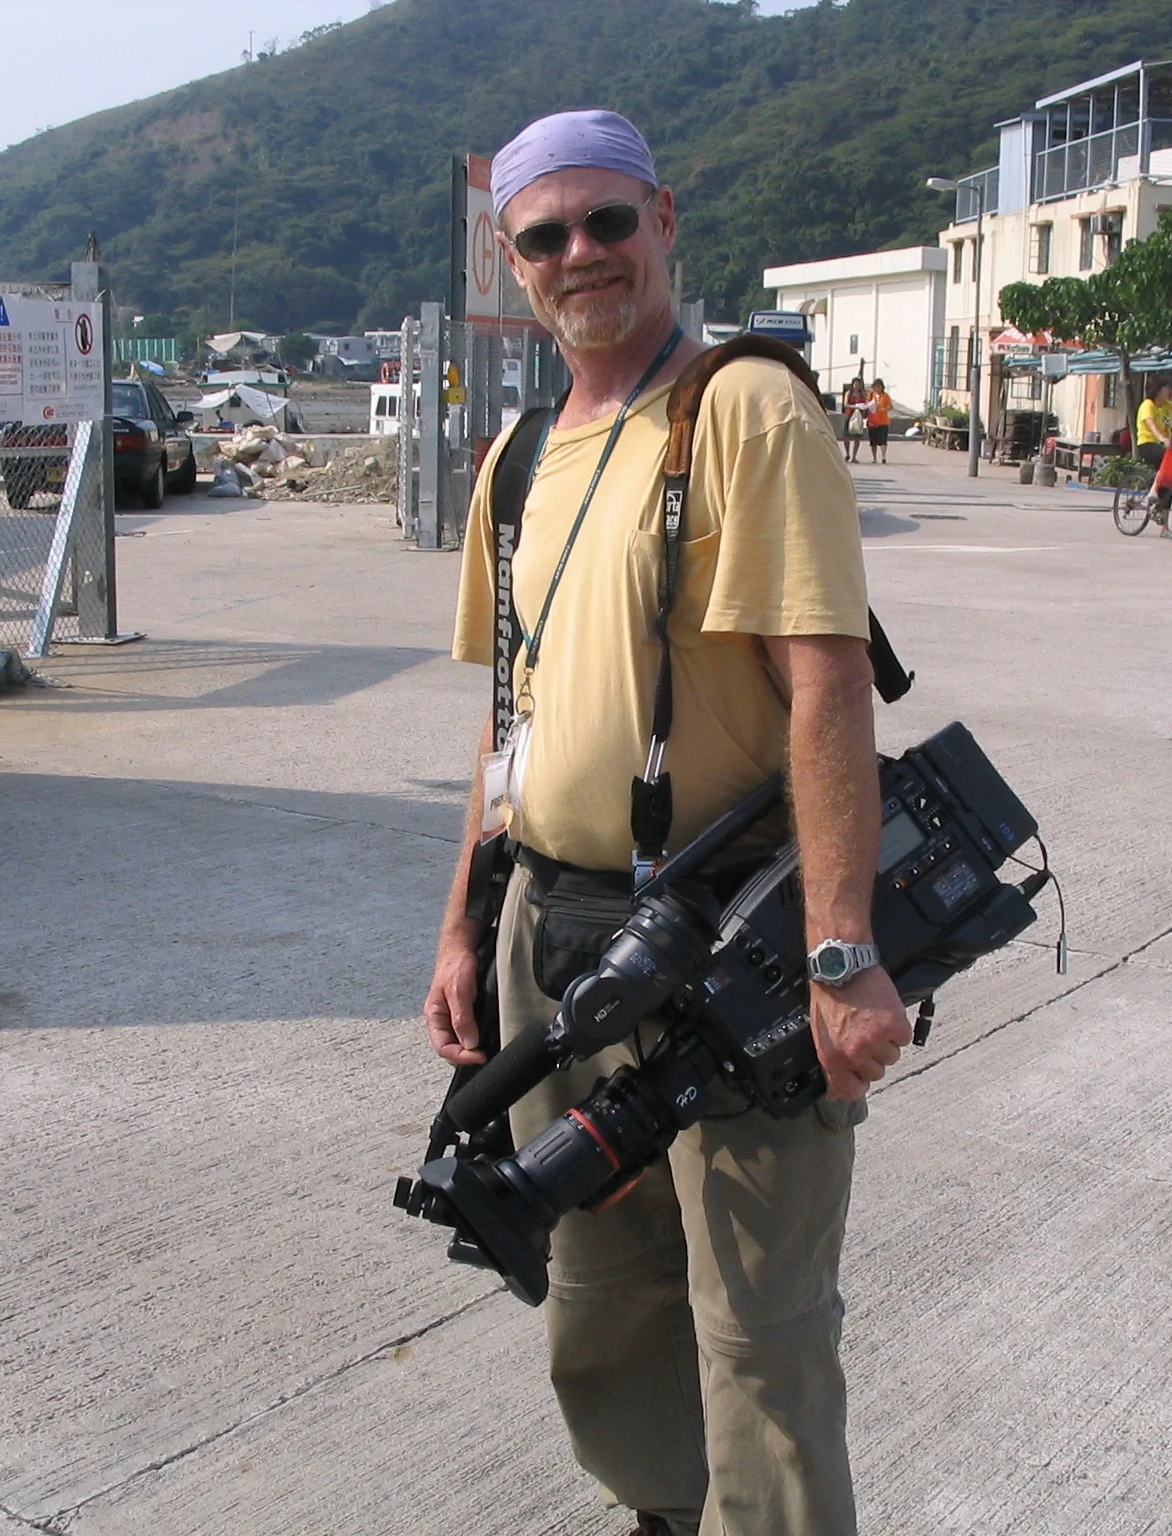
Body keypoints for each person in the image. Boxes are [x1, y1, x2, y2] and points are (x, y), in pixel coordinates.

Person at [424, 109, 905, 1536]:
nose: (581, 257)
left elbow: (826, 690)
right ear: (513, 265)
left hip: (723, 945)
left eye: (607, 223)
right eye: (545, 237)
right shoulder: (516, 460)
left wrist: (840, 950)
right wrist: (461, 922)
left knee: (757, 1329)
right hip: (553, 932)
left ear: (666, 221)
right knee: (598, 1295)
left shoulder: (743, 408)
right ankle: (659, 1518)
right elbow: (505, 727)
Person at [1134, 380, 1172, 530]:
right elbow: (1151, 424)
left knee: (1168, 485)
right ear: (1158, 389)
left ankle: (1165, 527)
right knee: (1166, 456)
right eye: (1166, 388)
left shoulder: (1168, 405)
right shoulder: (1148, 405)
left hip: (1165, 447)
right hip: (1147, 444)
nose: (1168, 390)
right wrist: (1162, 438)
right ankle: (1153, 489)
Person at [841, 375, 868, 464]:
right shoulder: (848, 393)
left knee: (857, 437)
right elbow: (845, 404)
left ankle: (854, 456)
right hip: (849, 414)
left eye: (858, 384)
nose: (856, 386)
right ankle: (847, 453)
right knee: (846, 436)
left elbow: (866, 404)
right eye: (855, 384)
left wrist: (862, 407)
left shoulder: (863, 394)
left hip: (858, 416)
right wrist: (853, 406)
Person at [864, 377, 892, 464]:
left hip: (883, 421)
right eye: (875, 386)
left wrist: (885, 409)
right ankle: (874, 457)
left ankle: (883, 456)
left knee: (883, 440)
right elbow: (867, 405)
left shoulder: (885, 396)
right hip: (872, 421)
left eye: (879, 386)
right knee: (873, 441)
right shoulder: (871, 395)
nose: (877, 388)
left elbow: (890, 406)